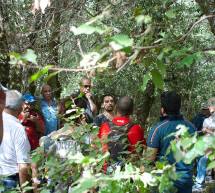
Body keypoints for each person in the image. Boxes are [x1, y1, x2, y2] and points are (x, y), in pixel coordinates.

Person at [147, 91, 196, 193]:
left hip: (164, 181)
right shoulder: (191, 127)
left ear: (162, 109)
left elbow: (149, 158)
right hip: (185, 181)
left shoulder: (157, 129)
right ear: (179, 108)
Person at [98, 96, 146, 173]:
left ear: (116, 107)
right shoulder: (137, 128)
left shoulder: (104, 126)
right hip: (128, 173)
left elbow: (97, 147)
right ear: (131, 111)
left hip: (107, 171)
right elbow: (141, 150)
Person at [0, 90, 31, 190]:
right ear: (20, 107)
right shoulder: (17, 128)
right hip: (10, 180)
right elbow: (23, 166)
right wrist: (24, 190)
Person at [193, 97, 215, 190]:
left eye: (210, 106)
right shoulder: (206, 119)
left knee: (204, 160)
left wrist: (208, 131)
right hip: (206, 143)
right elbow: (200, 130)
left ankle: (201, 181)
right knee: (202, 160)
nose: (209, 108)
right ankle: (200, 182)